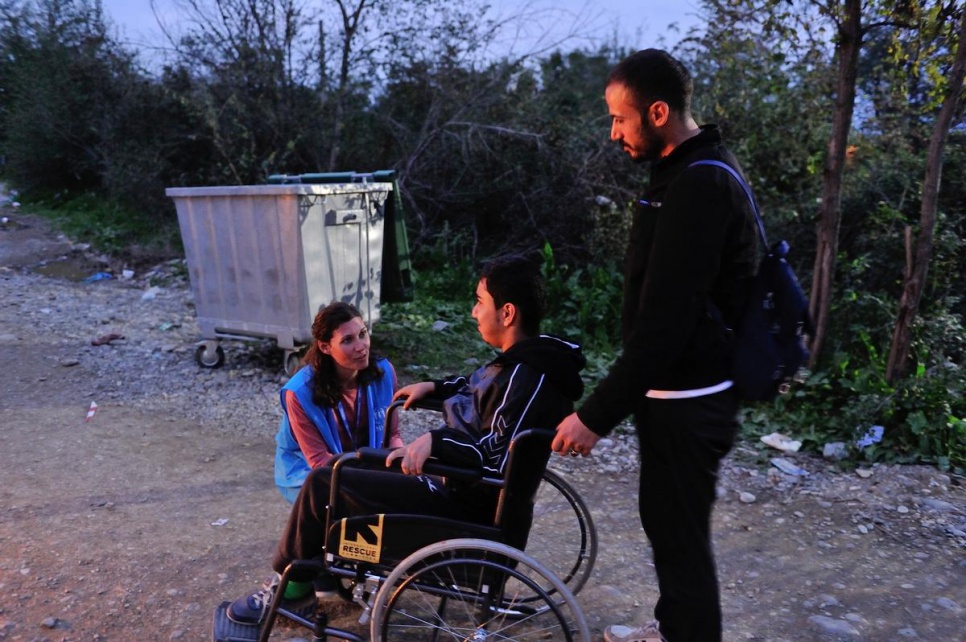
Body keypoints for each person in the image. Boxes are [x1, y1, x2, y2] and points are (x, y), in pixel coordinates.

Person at [227, 255, 586, 626]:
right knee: (347, 472)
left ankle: (288, 588)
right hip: (463, 490)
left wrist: (436, 442)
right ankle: (321, 573)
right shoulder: (533, 362)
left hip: (461, 504)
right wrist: (436, 387)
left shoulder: (524, 377)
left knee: (325, 480)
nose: (473, 311)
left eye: (480, 301)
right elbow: (479, 390)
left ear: (507, 313)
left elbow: (493, 458)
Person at [551, 49, 758, 642]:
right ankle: (675, 628)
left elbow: (664, 327)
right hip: (674, 391)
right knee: (668, 525)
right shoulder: (680, 170)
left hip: (691, 397)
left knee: (680, 536)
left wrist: (594, 416)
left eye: (621, 118)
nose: (614, 132)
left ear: (658, 112)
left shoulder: (698, 186)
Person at [274, 301, 402, 503]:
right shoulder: (298, 393)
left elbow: (392, 435)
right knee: (347, 505)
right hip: (309, 471)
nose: (361, 347)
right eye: (348, 340)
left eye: (363, 334)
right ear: (325, 347)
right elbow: (318, 461)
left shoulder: (384, 372)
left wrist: (399, 463)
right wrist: (370, 483)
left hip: (364, 466)